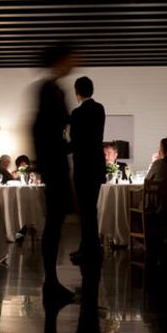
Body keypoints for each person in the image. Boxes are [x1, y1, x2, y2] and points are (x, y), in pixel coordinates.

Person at [32, 44, 76, 309]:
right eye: (71, 57)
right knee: (53, 225)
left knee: (55, 225)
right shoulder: (49, 89)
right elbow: (41, 129)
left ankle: (52, 281)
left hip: (55, 163)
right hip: (54, 165)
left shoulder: (54, 89)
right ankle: (50, 283)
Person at [69, 76, 106, 264]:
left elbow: (75, 143)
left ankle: (90, 251)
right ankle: (89, 248)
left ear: (77, 92)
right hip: (97, 166)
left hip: (83, 167)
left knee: (86, 211)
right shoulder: (100, 109)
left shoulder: (76, 114)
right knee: (90, 210)